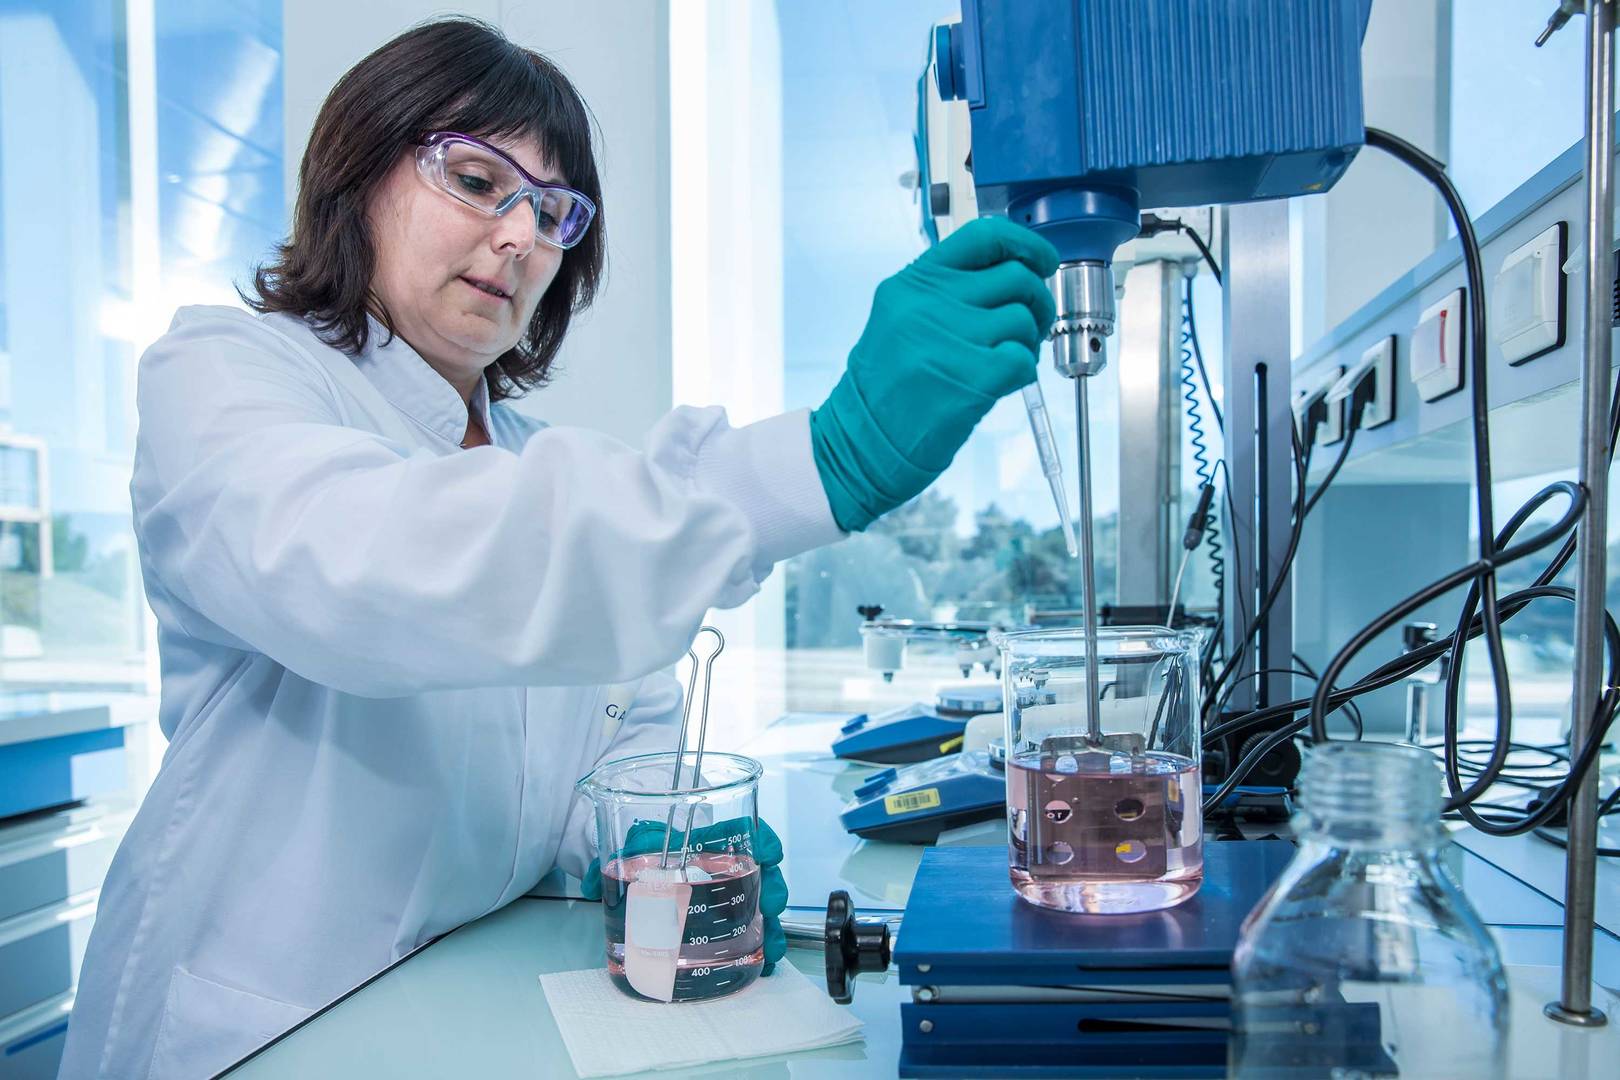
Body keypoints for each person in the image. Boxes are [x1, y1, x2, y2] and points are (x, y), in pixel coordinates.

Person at [57, 17, 1057, 1079]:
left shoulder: (559, 474)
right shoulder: (227, 373)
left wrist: (660, 845)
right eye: (477, 180)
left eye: (551, 210)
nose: (519, 236)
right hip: (256, 1033)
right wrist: (813, 465)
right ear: (355, 174)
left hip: (468, 1014)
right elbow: (371, 570)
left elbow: (613, 754)